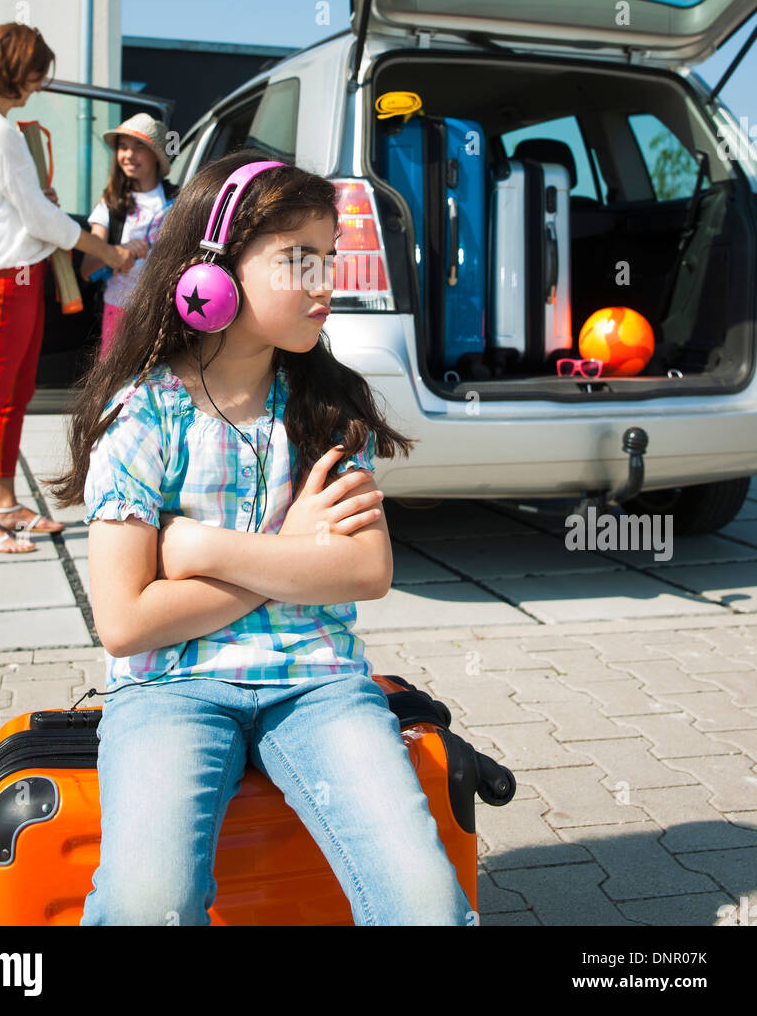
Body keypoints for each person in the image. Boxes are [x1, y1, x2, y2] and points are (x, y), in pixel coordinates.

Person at [50, 148, 480, 926]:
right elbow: (126, 622)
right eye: (299, 260)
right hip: (171, 689)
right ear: (211, 274)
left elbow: (365, 571)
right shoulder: (143, 415)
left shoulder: (329, 404)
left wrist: (199, 550)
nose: (327, 284)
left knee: (426, 903)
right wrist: (296, 553)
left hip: (318, 681)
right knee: (148, 904)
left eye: (332, 259)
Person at [0, 23, 144, 554]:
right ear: (15, 71)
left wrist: (38, 197)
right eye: (35, 78)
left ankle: (5, 499)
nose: (37, 87)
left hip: (11, 273)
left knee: (13, 395)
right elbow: (37, 217)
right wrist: (107, 252)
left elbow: (18, 202)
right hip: (1, 276)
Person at [80, 113, 178, 361]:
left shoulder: (176, 201)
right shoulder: (110, 203)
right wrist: (118, 251)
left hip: (163, 312)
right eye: (123, 147)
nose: (128, 155)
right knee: (115, 384)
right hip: (118, 309)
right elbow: (87, 268)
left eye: (138, 147)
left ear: (156, 154)